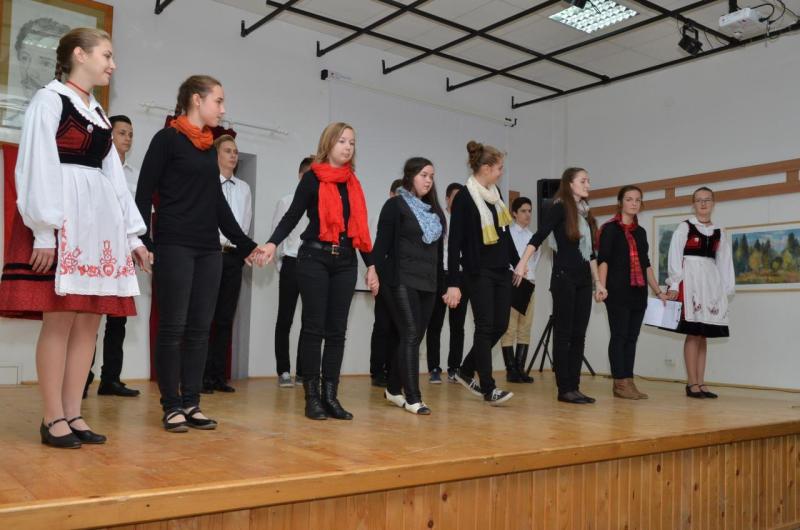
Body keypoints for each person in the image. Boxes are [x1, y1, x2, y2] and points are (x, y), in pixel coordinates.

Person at [0, 28, 149, 447]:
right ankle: (52, 418)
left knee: (88, 323)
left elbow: (114, 178)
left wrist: (133, 237)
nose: (112, 64)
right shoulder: (50, 100)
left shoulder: (98, 112)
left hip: (97, 226)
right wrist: (44, 233)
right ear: (80, 55)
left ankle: (73, 412)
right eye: (107, 55)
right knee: (60, 320)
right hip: (64, 221)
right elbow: (35, 165)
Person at [136, 75, 264, 432]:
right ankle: (171, 405)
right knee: (173, 327)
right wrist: (144, 241)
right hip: (174, 244)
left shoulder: (209, 148)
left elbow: (218, 205)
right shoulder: (167, 139)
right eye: (218, 101)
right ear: (196, 100)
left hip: (208, 250)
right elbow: (143, 193)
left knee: (199, 329)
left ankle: (192, 402)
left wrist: (247, 245)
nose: (223, 109)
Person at [260, 122, 378, 420]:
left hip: (346, 261)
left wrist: (372, 265)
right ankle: (311, 397)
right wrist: (273, 243)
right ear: (328, 143)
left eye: (352, 142)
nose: (348, 147)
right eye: (342, 141)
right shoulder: (313, 178)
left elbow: (359, 229)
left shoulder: (353, 182)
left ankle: (330, 396)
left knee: (337, 331)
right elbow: (292, 215)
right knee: (313, 328)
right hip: (314, 257)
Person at [515, 168, 607, 405]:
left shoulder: (585, 213)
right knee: (564, 334)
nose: (588, 184)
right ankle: (564, 388)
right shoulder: (559, 208)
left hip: (584, 281)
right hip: (564, 278)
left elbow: (591, 254)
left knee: (579, 335)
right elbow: (539, 235)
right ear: (570, 184)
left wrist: (598, 282)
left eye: (588, 180)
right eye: (583, 180)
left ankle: (574, 387)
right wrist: (522, 263)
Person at [444, 141, 519, 406]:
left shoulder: (496, 196)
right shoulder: (465, 198)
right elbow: (454, 243)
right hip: (478, 272)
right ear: (486, 168)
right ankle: (488, 388)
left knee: (501, 325)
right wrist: (453, 282)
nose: (501, 172)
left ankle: (465, 369)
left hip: (501, 270)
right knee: (485, 326)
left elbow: (505, 235)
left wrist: (518, 263)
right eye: (499, 168)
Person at [370, 158, 444, 414]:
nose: (428, 180)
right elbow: (381, 244)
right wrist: (373, 271)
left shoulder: (434, 212)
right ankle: (413, 397)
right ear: (410, 176)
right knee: (411, 334)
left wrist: (445, 284)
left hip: (428, 282)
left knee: (413, 337)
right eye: (424, 175)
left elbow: (438, 254)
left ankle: (393, 388)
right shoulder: (395, 205)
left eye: (431, 176)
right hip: (400, 279)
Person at [84, 114, 142, 398]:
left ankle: (111, 379)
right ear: (109, 136)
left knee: (118, 319)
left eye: (130, 134)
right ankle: (82, 379)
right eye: (122, 133)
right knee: (89, 317)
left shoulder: (134, 174)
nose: (127, 138)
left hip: (124, 251)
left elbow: (138, 213)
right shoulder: (96, 168)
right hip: (97, 250)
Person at [597, 185, 668, 399]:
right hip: (617, 291)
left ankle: (628, 380)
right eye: (629, 199)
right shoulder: (610, 229)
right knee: (619, 336)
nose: (634, 203)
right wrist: (601, 287)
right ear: (621, 203)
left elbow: (646, 265)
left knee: (632, 337)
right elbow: (603, 260)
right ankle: (619, 382)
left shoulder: (641, 232)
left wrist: (658, 291)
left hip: (638, 292)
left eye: (637, 199)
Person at [664, 187, 734, 399]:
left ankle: (701, 383)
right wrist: (674, 284)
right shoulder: (685, 227)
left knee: (704, 335)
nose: (703, 204)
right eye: (699, 200)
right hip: (691, 283)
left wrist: (724, 290)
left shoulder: (719, 231)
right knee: (693, 333)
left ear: (713, 203)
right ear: (693, 204)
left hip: (710, 284)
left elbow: (724, 262)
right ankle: (691, 383)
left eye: (707, 200)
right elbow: (675, 256)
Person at [202, 134, 253, 394]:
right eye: (227, 151)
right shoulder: (206, 183)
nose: (233, 155)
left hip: (233, 257)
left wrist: (243, 251)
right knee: (204, 317)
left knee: (224, 318)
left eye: (235, 151)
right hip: (210, 253)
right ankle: (199, 376)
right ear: (216, 155)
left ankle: (217, 375)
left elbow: (244, 224)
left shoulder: (244, 188)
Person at [272, 156, 313, 388]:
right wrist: (282, 266)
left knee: (309, 320)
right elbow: (276, 235)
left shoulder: (320, 203)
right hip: (290, 262)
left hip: (312, 264)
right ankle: (284, 370)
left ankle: (303, 371)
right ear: (300, 176)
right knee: (285, 318)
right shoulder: (287, 201)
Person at [424, 182, 470, 384]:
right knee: (435, 324)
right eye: (455, 197)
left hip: (460, 276)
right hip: (440, 276)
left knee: (457, 326)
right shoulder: (438, 218)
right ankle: (434, 368)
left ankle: (454, 368)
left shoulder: (468, 221)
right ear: (447, 199)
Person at [500, 196, 540, 383]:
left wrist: (529, 279)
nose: (527, 214)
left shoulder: (534, 236)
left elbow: (534, 262)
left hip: (529, 284)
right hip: (513, 283)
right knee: (509, 328)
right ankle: (511, 370)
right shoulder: (507, 233)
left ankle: (520, 369)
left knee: (525, 327)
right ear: (514, 213)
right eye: (523, 211)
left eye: (530, 211)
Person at [369, 178, 402, 387]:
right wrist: (375, 277)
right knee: (382, 325)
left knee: (398, 327)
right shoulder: (380, 216)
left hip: (402, 280)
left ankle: (393, 370)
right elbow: (375, 251)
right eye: (398, 194)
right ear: (391, 194)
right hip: (383, 277)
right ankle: (377, 371)